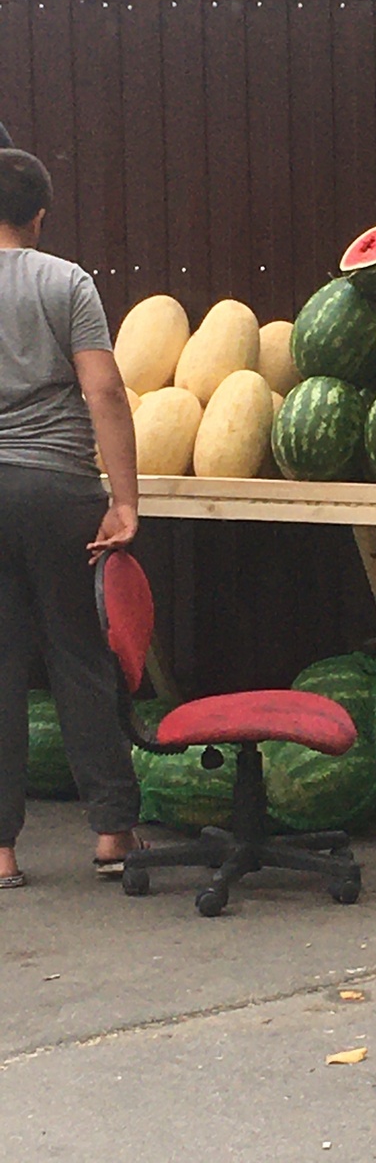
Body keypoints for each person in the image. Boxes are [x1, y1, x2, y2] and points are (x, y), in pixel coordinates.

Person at [0, 148, 146, 888]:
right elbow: (105, 391)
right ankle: (113, 833)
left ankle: (0, 853)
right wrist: (125, 500)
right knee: (78, 656)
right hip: (60, 489)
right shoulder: (66, 282)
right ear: (39, 215)